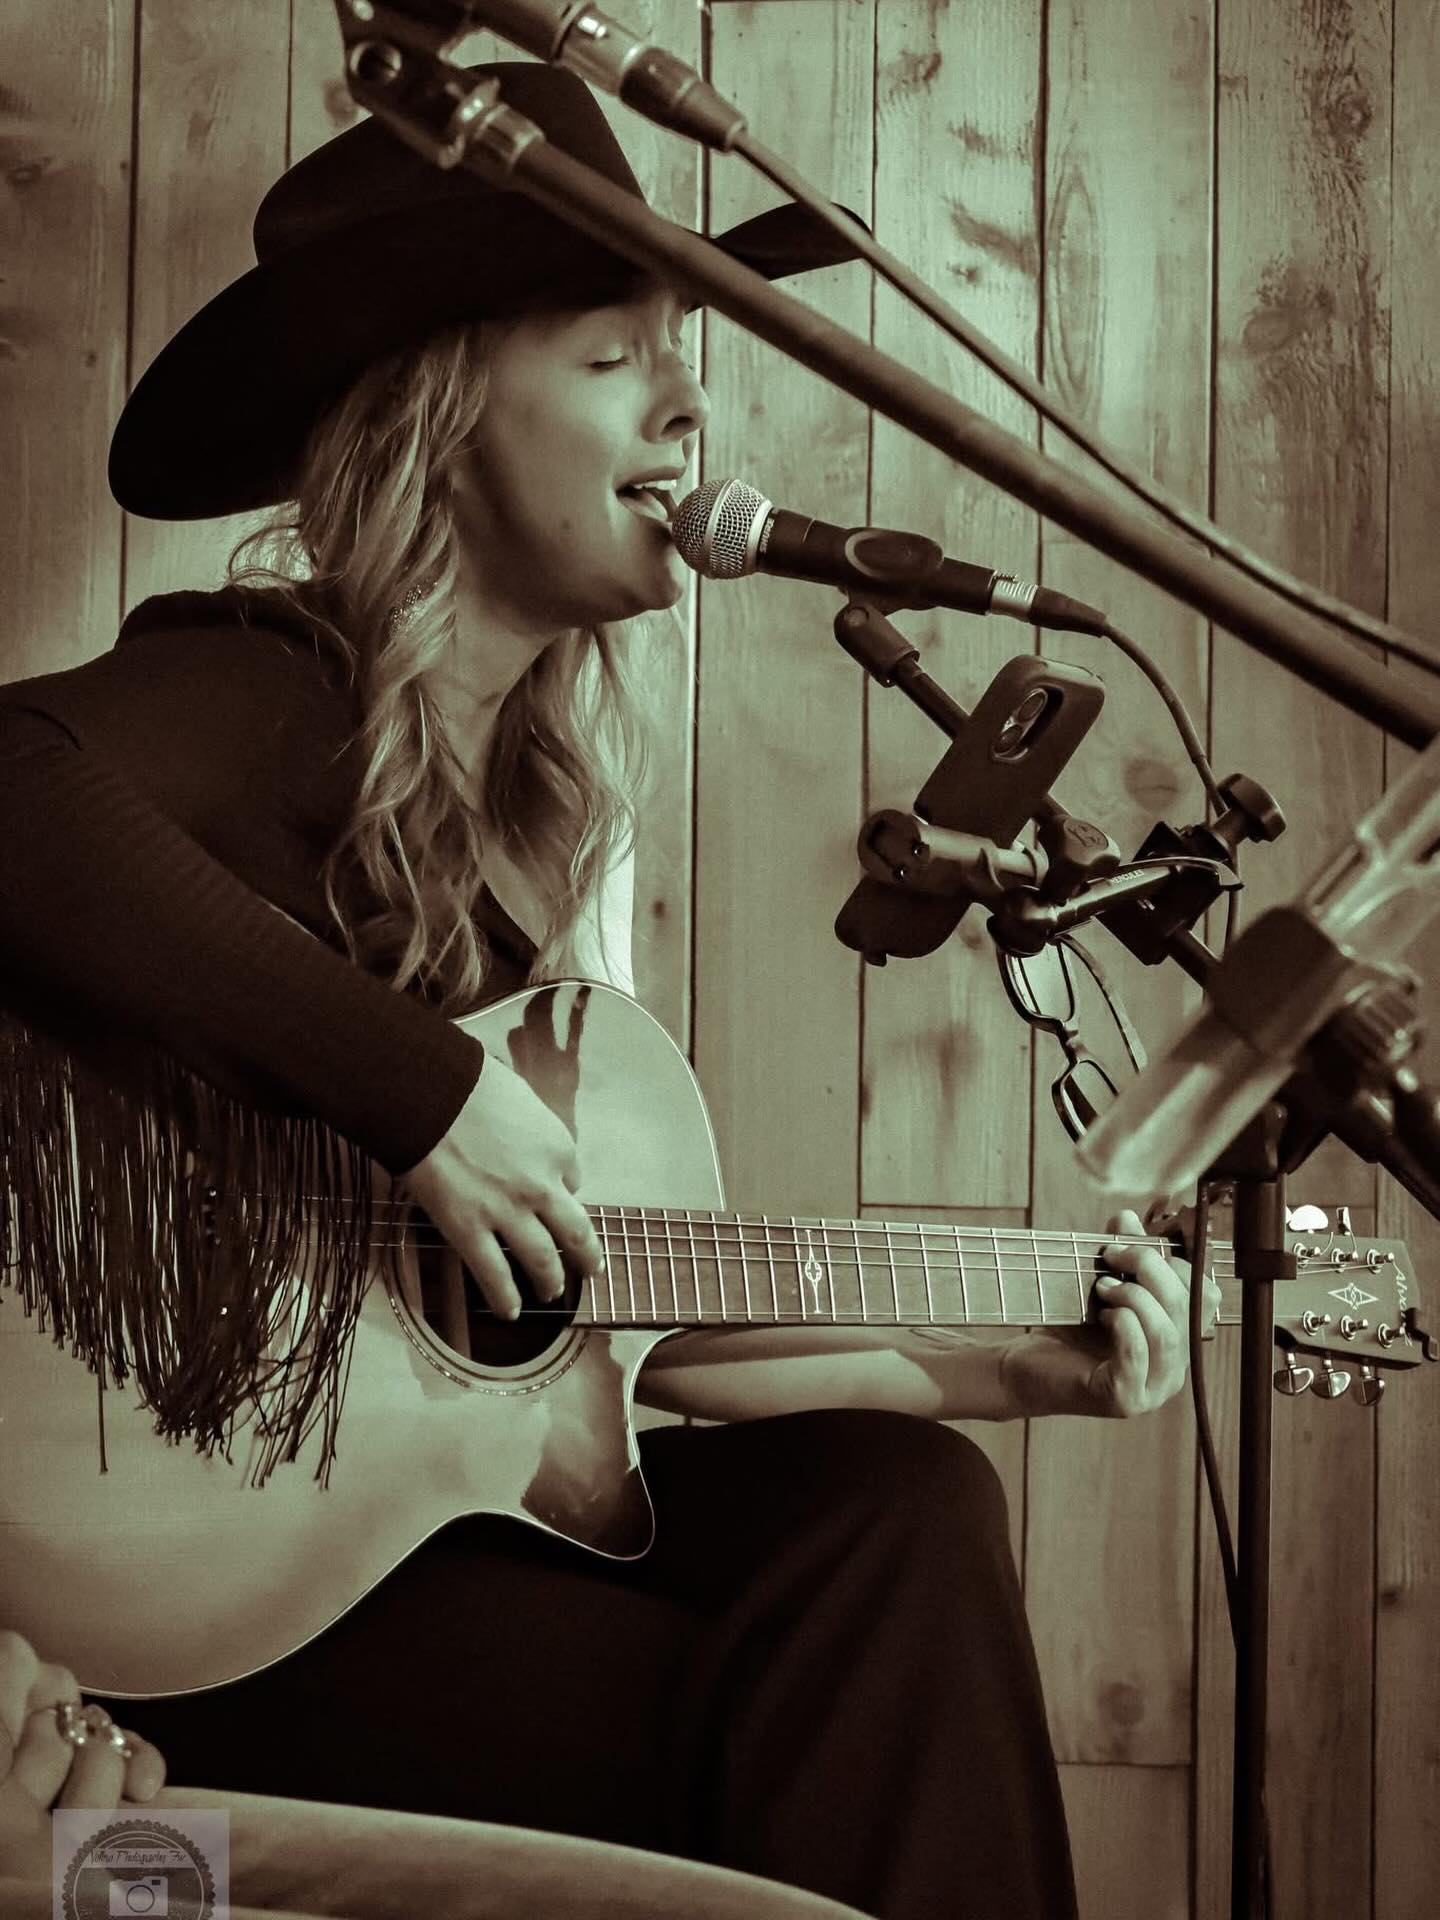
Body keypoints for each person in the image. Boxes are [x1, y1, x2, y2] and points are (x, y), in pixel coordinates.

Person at [0, 62, 1201, 1920]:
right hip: (198, 1606)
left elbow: (590, 1312)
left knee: (897, 1505)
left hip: (374, 1556)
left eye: (682, 351)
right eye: (612, 352)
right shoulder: (270, 689)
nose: (690, 403)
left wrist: (1009, 1365)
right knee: (809, 1694)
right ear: (437, 419)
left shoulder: (512, 818)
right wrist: (422, 1094)